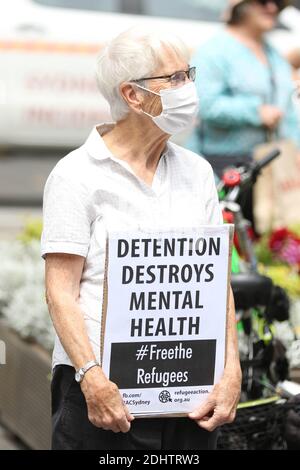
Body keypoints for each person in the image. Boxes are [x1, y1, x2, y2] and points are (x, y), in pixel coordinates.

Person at [41, 27, 241, 451]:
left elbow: (214, 281)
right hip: (103, 395)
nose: (189, 88)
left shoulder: (197, 172)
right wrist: (92, 378)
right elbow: (60, 291)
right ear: (132, 95)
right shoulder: (76, 175)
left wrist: (231, 370)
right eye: (174, 78)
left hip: (190, 390)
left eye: (189, 74)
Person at [186, 0, 300, 225]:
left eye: (278, 3)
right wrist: (255, 112)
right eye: (263, 1)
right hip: (226, 170)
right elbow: (204, 104)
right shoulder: (214, 51)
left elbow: (287, 112)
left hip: (271, 170)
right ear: (239, 5)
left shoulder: (273, 54)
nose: (272, 8)